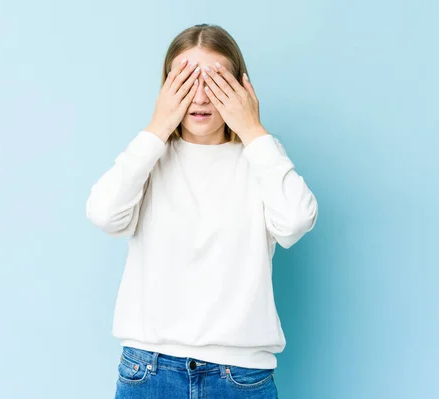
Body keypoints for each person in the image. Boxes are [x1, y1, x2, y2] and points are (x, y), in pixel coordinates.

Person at [86, 23, 318, 398]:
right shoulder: (148, 156)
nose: (200, 97)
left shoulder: (261, 156)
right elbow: (104, 214)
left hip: (241, 376)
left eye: (214, 82)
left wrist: (253, 130)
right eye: (185, 81)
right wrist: (158, 127)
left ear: (241, 88)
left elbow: (294, 221)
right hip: (150, 369)